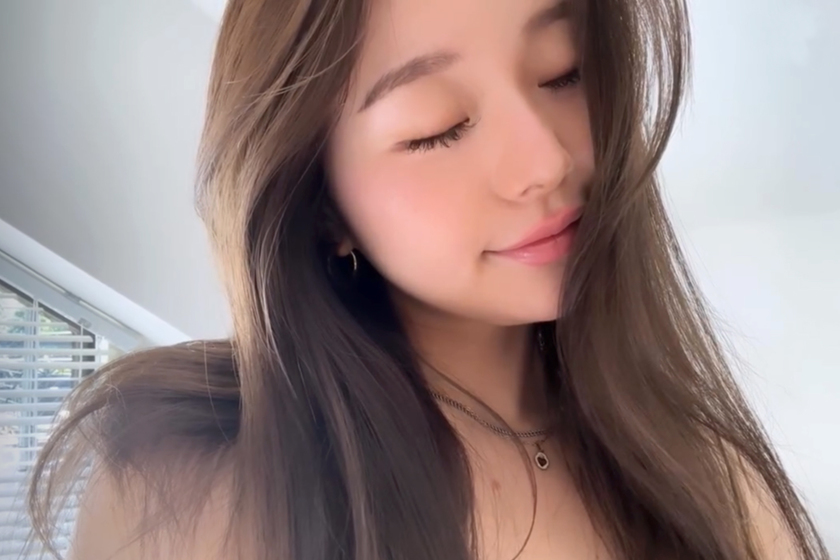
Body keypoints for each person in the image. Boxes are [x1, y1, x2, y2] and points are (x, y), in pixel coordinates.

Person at [28, 0, 830, 558]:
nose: (545, 160)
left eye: (564, 71)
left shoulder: (710, 478)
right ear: (321, 205)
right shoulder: (187, 487)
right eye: (437, 129)